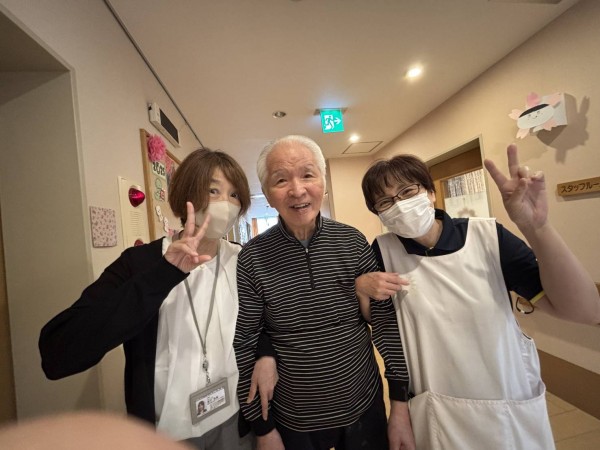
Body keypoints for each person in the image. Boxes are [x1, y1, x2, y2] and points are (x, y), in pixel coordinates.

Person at [358, 144, 600, 450]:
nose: (400, 205)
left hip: (506, 405)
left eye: (408, 191)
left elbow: (586, 311)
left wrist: (537, 227)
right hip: (436, 410)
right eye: (385, 201)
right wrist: (360, 287)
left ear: (430, 192)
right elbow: (384, 332)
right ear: (379, 213)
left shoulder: (487, 237)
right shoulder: (382, 252)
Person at [39, 148, 276, 450]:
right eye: (213, 191)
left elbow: (267, 321)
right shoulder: (139, 263)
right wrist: (164, 274)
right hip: (163, 433)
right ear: (187, 194)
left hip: (234, 421)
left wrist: (266, 354)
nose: (226, 204)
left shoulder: (242, 259)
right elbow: (58, 354)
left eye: (234, 195)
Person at [233, 135, 412, 450]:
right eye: (281, 180)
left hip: (364, 406)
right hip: (293, 418)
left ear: (323, 183)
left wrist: (399, 404)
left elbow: (386, 325)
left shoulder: (352, 241)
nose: (297, 190)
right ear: (268, 195)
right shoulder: (252, 258)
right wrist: (263, 429)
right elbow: (244, 341)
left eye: (307, 175)